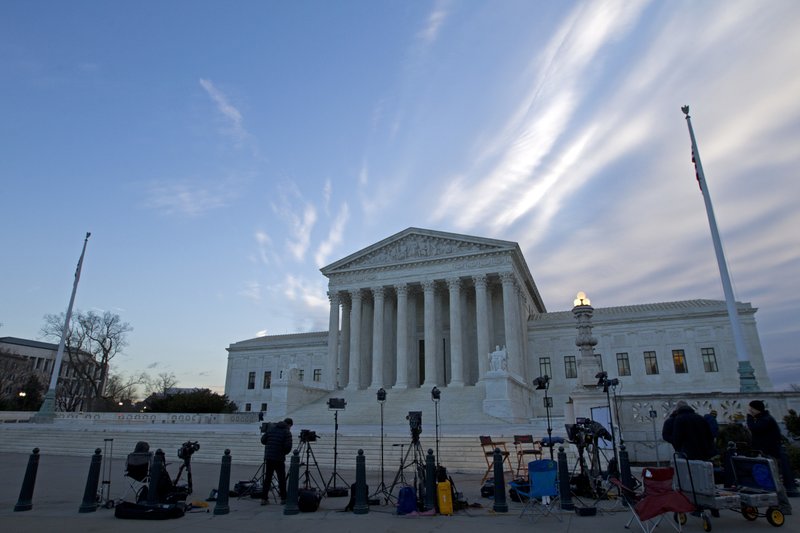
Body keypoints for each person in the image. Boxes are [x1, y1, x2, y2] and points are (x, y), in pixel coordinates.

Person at [747, 400, 792, 515]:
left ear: (757, 409)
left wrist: (749, 418)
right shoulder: (763, 418)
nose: (749, 410)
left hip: (770, 453)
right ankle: (776, 503)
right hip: (765, 453)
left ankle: (784, 505)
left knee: (775, 480)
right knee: (768, 479)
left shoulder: (766, 419)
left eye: (751, 408)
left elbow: (754, 428)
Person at [260, 417, 293, 504]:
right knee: (281, 478)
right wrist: (283, 452)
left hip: (269, 457)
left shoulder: (271, 429)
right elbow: (288, 447)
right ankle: (283, 498)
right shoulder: (287, 432)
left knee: (267, 478)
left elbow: (263, 440)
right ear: (289, 425)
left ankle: (264, 498)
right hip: (279, 458)